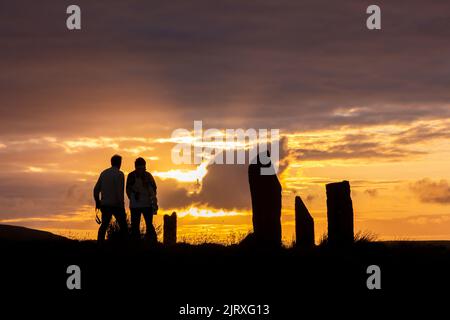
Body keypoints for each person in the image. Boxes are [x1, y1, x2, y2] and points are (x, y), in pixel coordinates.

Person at [93, 154, 128, 244]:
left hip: (105, 204)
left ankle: (99, 244)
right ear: (120, 163)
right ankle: (126, 245)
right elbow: (120, 191)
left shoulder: (104, 173)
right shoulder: (120, 174)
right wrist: (122, 205)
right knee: (124, 227)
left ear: (111, 162)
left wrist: (97, 202)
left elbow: (96, 189)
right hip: (117, 205)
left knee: (104, 225)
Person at [126, 157, 158, 243]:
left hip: (139, 205)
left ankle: (144, 244)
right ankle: (150, 243)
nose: (141, 170)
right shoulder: (147, 176)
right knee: (142, 226)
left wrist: (132, 199)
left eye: (142, 168)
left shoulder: (131, 176)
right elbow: (154, 190)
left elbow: (128, 190)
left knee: (138, 226)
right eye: (139, 168)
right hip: (142, 205)